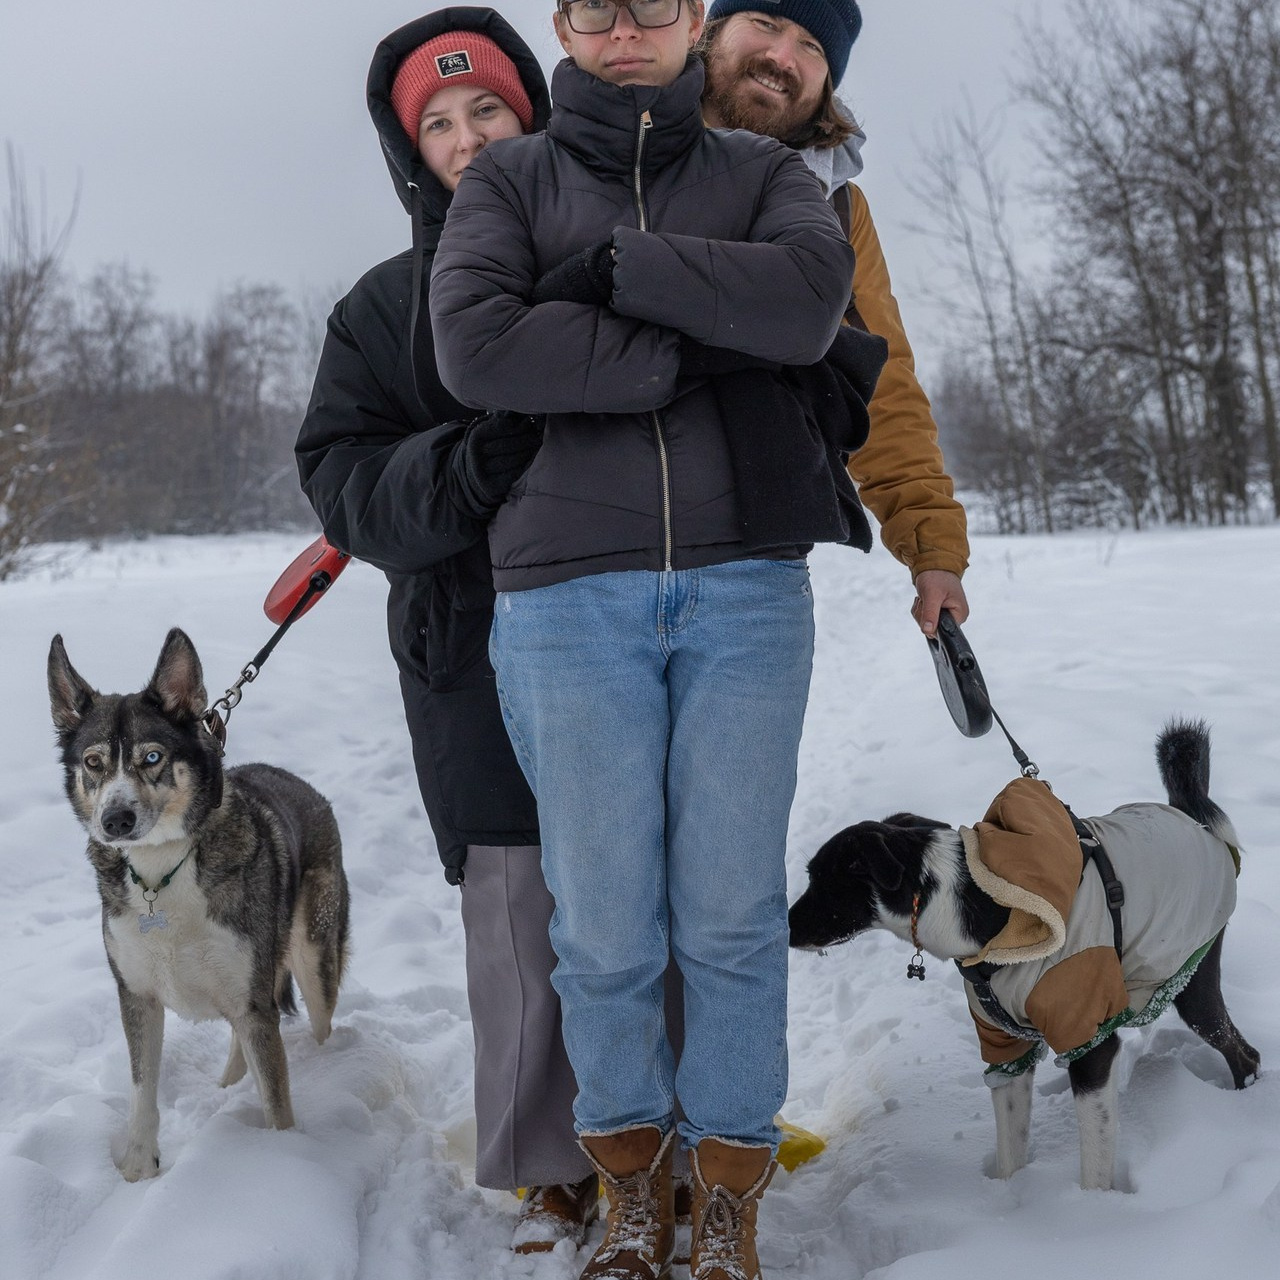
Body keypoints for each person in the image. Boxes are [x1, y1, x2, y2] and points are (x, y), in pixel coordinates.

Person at [430, 2, 878, 1276]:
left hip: (744, 590)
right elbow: (476, 347)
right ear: (563, 23)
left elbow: (799, 310)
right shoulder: (507, 180)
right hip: (565, 598)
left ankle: (725, 1190)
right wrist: (688, 343)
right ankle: (631, 1184)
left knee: (729, 917)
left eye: (654, 1)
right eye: (593, 3)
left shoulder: (768, 172)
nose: (624, 23)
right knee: (607, 925)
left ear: (695, 14)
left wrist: (620, 272)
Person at [294, 8, 603, 1255]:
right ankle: (547, 1164)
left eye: (487, 111)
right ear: (408, 149)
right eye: (438, 121)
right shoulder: (379, 310)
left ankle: (666, 1138)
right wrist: (468, 463)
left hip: (621, 626)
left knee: (645, 895)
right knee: (520, 909)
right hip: (466, 648)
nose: (467, 138)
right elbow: (345, 481)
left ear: (530, 112)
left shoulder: (610, 245)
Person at [699, 0, 972, 634]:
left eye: (812, 47)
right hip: (592, 562)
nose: (782, 57)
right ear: (709, 33)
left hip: (754, 568)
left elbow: (881, 380)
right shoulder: (621, 142)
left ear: (827, 85)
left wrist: (931, 546)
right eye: (765, 24)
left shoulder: (837, 208)